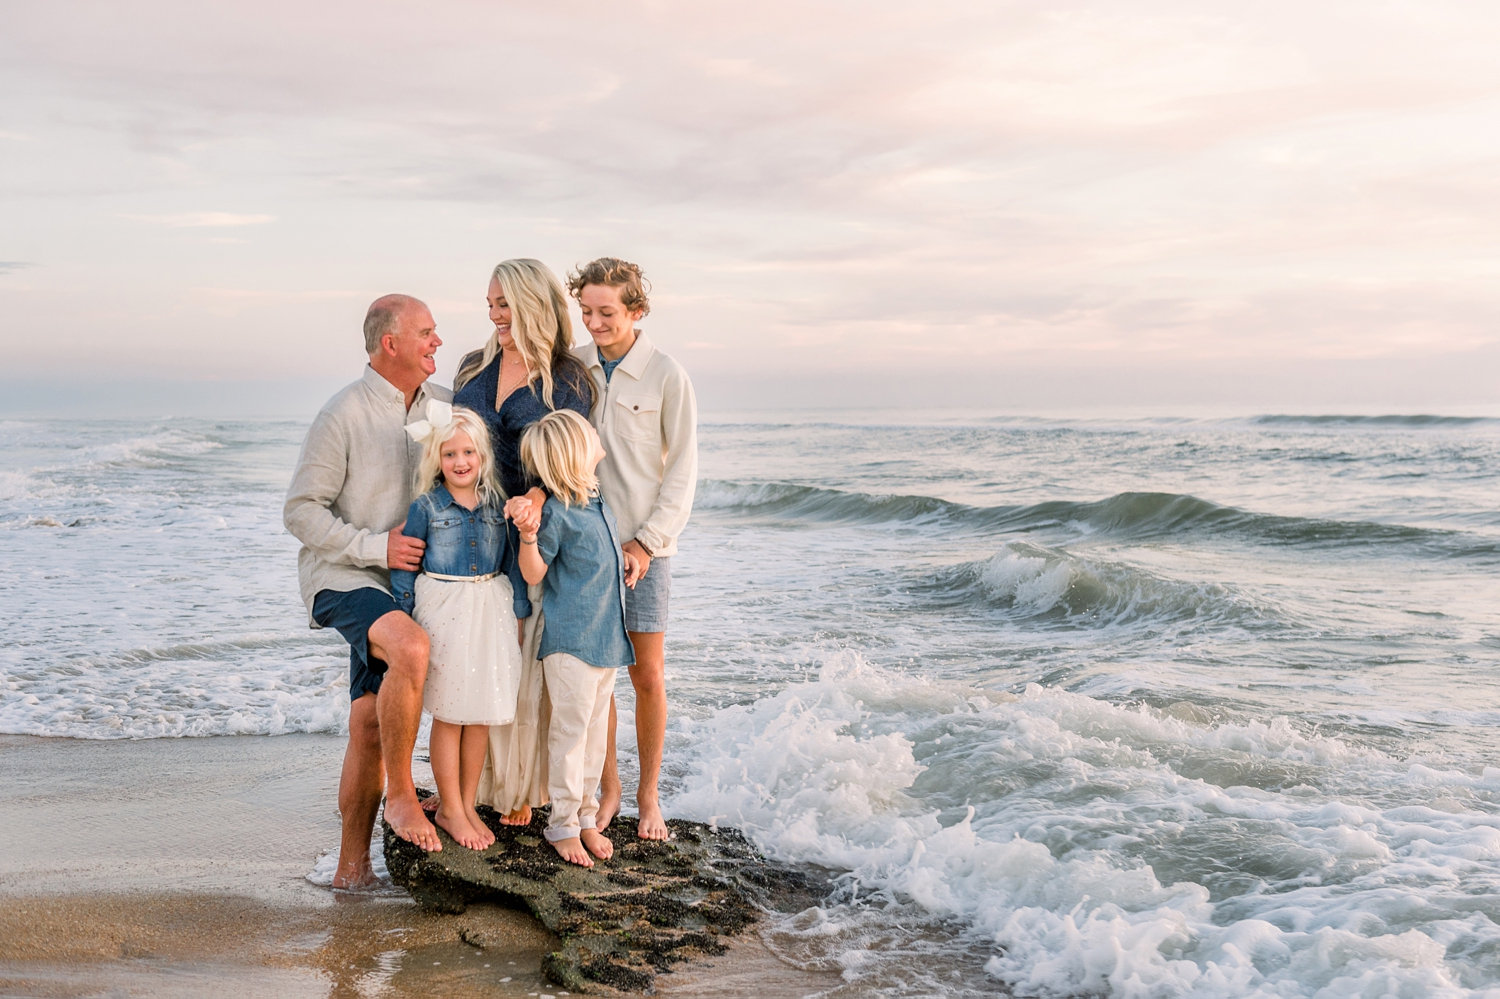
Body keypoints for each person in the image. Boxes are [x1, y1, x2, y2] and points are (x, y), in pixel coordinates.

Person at [283, 294, 448, 888]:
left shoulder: (445, 408)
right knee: (410, 649)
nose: (437, 342)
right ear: (391, 344)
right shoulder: (342, 414)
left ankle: (350, 873)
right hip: (347, 577)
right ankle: (403, 794)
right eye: (427, 333)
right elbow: (301, 512)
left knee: (368, 725)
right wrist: (378, 549)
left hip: (412, 584)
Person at [452, 258, 593, 825]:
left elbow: (571, 455)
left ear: (533, 303)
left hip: (534, 526)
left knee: (527, 658)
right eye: (489, 303)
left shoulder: (568, 379)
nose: (494, 314)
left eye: (504, 304)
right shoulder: (471, 367)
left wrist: (535, 497)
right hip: (468, 530)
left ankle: (520, 788)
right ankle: (475, 786)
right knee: (475, 654)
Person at [567, 257, 698, 841]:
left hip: (649, 547)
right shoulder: (575, 369)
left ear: (636, 311)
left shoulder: (667, 374)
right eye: (587, 311)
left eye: (607, 313)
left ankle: (648, 797)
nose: (594, 322)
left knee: (646, 674)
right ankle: (608, 790)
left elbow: (684, 471)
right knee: (598, 675)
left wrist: (646, 542)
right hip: (585, 544)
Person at [389, 401, 528, 851]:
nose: (460, 462)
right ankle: (449, 805)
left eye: (468, 453)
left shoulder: (498, 505)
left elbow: (511, 563)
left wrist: (521, 611)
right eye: (450, 455)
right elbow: (404, 569)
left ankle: (466, 805)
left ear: (482, 456)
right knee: (450, 712)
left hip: (490, 609)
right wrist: (406, 614)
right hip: (443, 609)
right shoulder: (426, 507)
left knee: (481, 712)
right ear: (437, 460)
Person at [505, 409, 637, 867]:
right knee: (570, 736)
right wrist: (527, 536)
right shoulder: (559, 512)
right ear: (576, 454)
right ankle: (561, 824)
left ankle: (583, 815)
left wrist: (623, 561)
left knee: (594, 738)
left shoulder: (598, 502)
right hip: (571, 646)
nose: (598, 436)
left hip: (604, 644)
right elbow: (534, 573)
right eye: (590, 434)